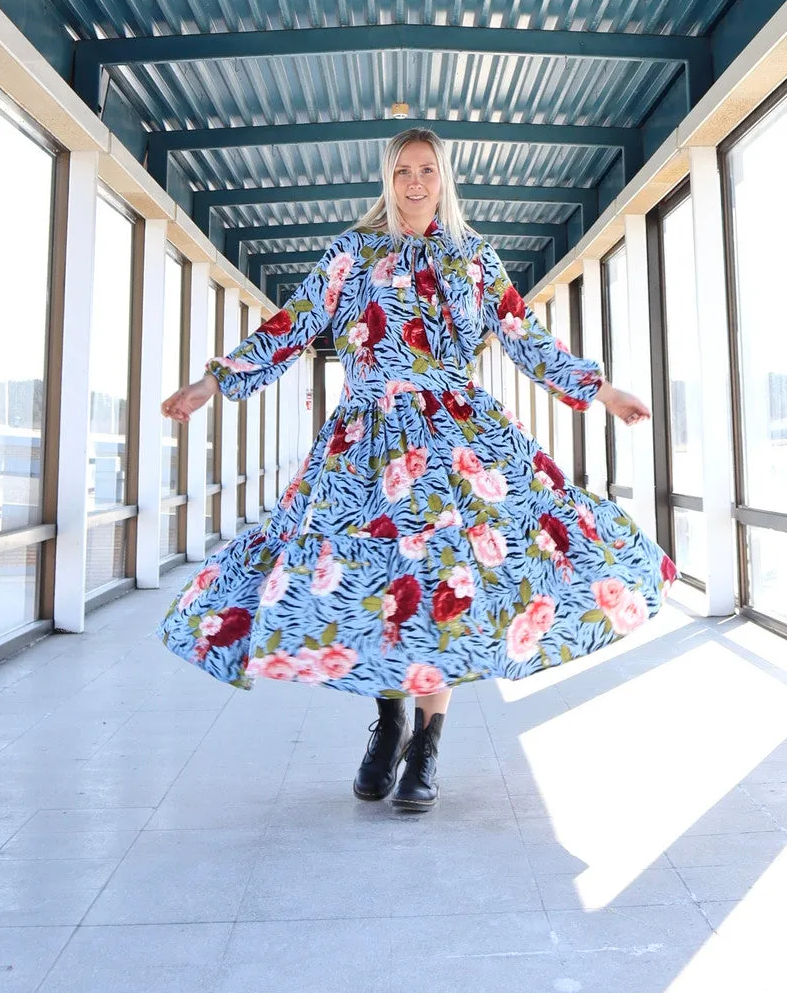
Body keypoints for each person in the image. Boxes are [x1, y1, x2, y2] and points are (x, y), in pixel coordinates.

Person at [159, 127, 676, 813]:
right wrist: (212, 383)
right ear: (387, 177)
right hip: (364, 441)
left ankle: (427, 741)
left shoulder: (473, 258)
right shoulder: (351, 251)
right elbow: (290, 326)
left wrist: (599, 391)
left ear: (443, 178)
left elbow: (523, 334)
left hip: (453, 437)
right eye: (402, 170)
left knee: (443, 579)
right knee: (376, 578)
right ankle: (389, 724)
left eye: (425, 170)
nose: (413, 182)